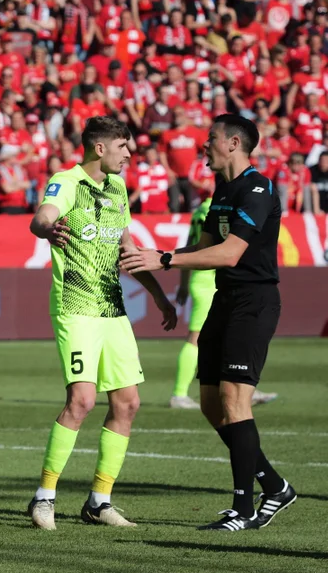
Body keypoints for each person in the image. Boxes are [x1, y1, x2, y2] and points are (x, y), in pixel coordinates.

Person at [121, 113, 297, 532]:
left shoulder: (257, 188)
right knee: (210, 403)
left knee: (236, 402)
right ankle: (274, 486)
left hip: (253, 303)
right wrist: (157, 255)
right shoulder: (221, 190)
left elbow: (229, 253)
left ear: (234, 143)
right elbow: (204, 248)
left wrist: (164, 259)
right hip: (225, 300)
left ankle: (243, 508)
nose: (203, 146)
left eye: (210, 139)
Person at [27, 116, 178, 531]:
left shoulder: (117, 189)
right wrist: (47, 230)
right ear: (100, 148)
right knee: (81, 401)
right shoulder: (68, 180)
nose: (129, 154)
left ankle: (99, 501)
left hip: (113, 308)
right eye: (123, 147)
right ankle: (43, 497)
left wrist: (158, 294)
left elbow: (126, 247)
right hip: (76, 306)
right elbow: (42, 217)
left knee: (127, 403)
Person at [171, 198, 279, 409]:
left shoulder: (203, 208)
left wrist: (184, 283)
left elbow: (192, 245)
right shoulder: (220, 207)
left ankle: (242, 386)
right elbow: (218, 246)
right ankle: (179, 394)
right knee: (196, 337)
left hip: (206, 278)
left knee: (230, 336)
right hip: (208, 279)